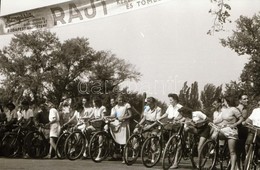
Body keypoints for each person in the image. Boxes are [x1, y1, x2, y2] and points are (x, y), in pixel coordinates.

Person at [212, 96, 243, 170]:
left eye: (224, 101)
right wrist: (213, 122)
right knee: (216, 132)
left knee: (232, 151)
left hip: (232, 131)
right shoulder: (224, 110)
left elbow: (241, 119)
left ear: (228, 101)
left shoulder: (234, 109)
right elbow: (219, 120)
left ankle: (232, 168)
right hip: (224, 129)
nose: (223, 103)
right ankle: (215, 150)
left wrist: (235, 124)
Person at [133, 97, 162, 163]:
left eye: (150, 103)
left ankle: (153, 156)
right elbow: (144, 118)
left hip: (155, 125)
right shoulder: (146, 108)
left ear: (154, 103)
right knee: (136, 132)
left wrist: (149, 127)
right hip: (147, 124)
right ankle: (136, 148)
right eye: (147, 103)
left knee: (153, 138)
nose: (148, 105)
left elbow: (157, 121)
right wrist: (139, 124)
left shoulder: (158, 109)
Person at [158, 93, 183, 169]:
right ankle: (166, 147)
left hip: (176, 125)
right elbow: (166, 114)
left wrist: (177, 120)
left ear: (175, 100)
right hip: (170, 123)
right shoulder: (170, 106)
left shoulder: (180, 107)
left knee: (177, 144)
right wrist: (160, 118)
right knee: (162, 131)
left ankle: (175, 162)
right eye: (169, 100)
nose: (170, 101)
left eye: (171, 100)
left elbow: (182, 116)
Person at [106, 95, 132, 162]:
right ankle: (118, 155)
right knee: (117, 140)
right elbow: (114, 115)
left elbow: (130, 115)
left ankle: (125, 157)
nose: (121, 101)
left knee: (124, 141)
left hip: (124, 125)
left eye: (122, 100)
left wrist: (123, 118)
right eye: (120, 100)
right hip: (118, 124)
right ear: (117, 100)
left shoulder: (127, 105)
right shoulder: (115, 107)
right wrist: (107, 116)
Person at [89, 97, 107, 161]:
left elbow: (103, 118)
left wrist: (94, 120)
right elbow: (90, 116)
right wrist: (84, 118)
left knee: (100, 137)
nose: (93, 103)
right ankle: (89, 145)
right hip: (95, 124)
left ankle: (99, 154)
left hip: (101, 124)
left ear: (96, 102)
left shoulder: (103, 108)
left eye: (93, 102)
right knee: (87, 130)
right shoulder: (94, 109)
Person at [236, 94, 249, 169]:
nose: (247, 100)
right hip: (239, 130)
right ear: (240, 101)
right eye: (244, 99)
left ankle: (241, 167)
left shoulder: (244, 108)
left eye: (247, 98)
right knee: (239, 150)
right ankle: (239, 167)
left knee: (242, 150)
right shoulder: (240, 109)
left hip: (242, 130)